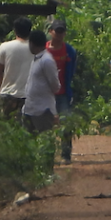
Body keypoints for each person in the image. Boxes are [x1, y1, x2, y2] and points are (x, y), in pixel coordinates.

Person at [46, 18, 80, 163]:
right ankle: (47, 154)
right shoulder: (43, 50)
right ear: (51, 32)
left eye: (62, 31)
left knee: (66, 123)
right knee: (45, 125)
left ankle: (66, 154)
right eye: (57, 31)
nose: (59, 34)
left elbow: (71, 71)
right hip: (46, 94)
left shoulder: (69, 51)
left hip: (63, 93)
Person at [0, 17, 34, 118]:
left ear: (15, 30)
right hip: (29, 95)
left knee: (7, 127)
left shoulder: (5, 47)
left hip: (7, 93)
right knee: (27, 128)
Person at [20, 30, 60, 134]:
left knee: (45, 141)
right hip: (30, 108)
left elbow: (55, 86)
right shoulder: (37, 59)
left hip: (43, 110)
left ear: (32, 44)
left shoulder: (46, 60)